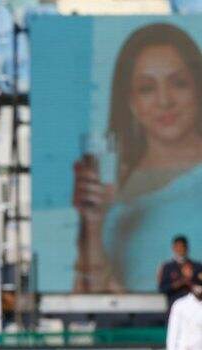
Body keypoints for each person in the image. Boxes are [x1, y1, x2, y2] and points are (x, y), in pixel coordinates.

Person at [73, 23, 202, 292]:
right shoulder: (109, 185)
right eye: (146, 88)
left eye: (178, 83)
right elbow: (90, 297)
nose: (164, 101)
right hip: (132, 332)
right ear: (131, 102)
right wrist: (92, 226)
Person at [158, 236, 202, 309]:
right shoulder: (167, 267)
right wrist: (180, 282)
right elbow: (162, 289)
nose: (180, 249)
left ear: (187, 248)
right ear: (173, 248)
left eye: (182, 247)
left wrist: (193, 283)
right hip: (175, 307)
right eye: (177, 247)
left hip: (195, 308)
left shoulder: (197, 266)